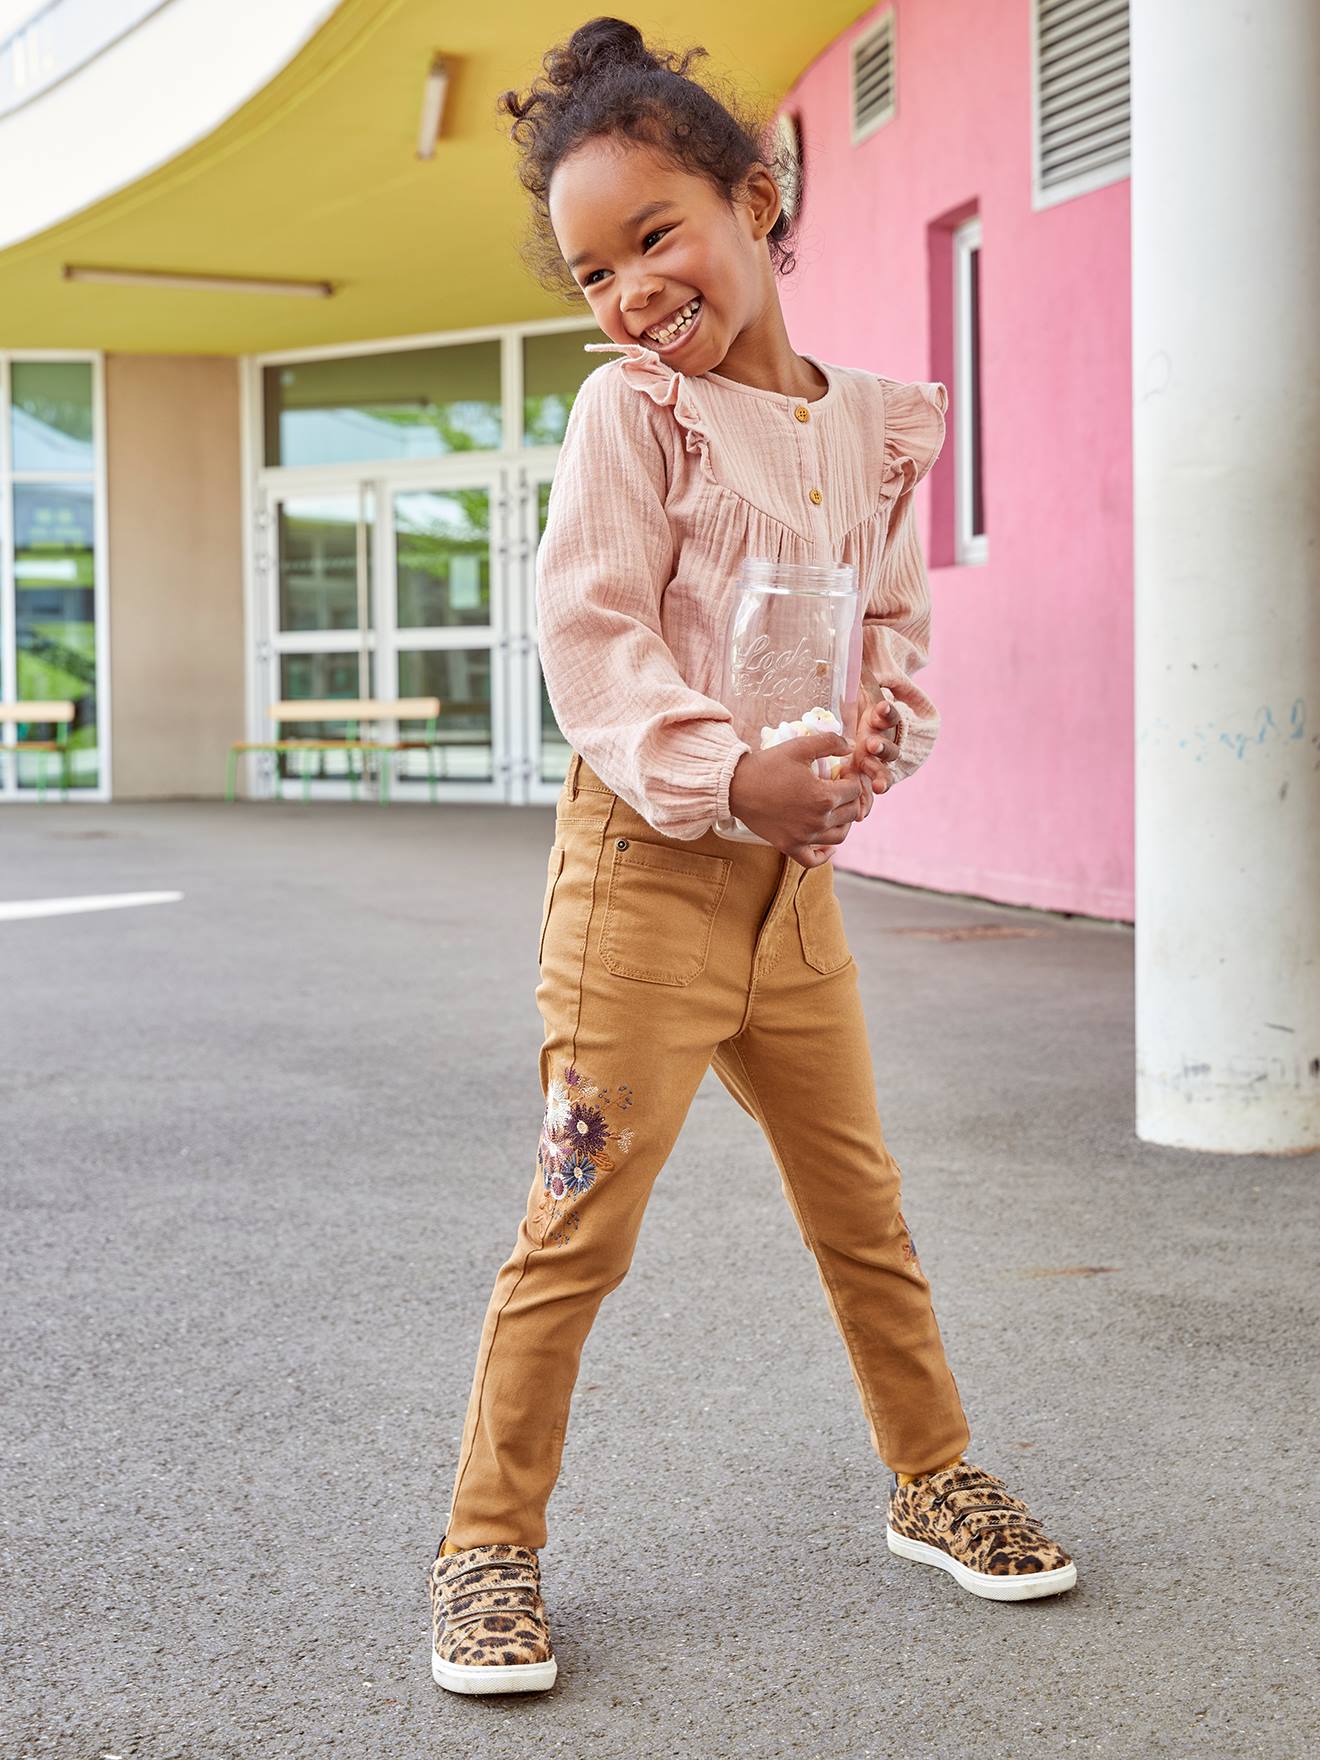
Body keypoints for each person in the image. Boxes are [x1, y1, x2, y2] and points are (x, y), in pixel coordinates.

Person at [428, 15, 1076, 1697]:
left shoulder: (868, 428)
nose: (632, 289)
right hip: (640, 882)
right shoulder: (628, 418)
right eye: (592, 270)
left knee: (862, 1206)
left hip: (795, 903)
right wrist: (732, 775)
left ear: (758, 196)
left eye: (656, 234)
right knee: (577, 1224)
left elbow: (893, 636)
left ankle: (934, 1476)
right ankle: (487, 1546)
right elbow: (596, 643)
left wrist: (871, 748)